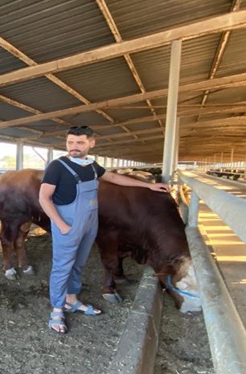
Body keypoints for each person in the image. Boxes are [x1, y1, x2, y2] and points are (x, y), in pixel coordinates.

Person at [38, 125, 170, 334]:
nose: (74, 147)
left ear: (91, 143)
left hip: (90, 221)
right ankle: (57, 308)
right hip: (68, 222)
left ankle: (72, 299)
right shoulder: (57, 166)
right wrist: (61, 225)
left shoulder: (91, 165)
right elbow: (43, 198)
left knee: (78, 263)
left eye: (80, 142)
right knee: (62, 265)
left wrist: (148, 186)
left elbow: (115, 178)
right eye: (70, 142)